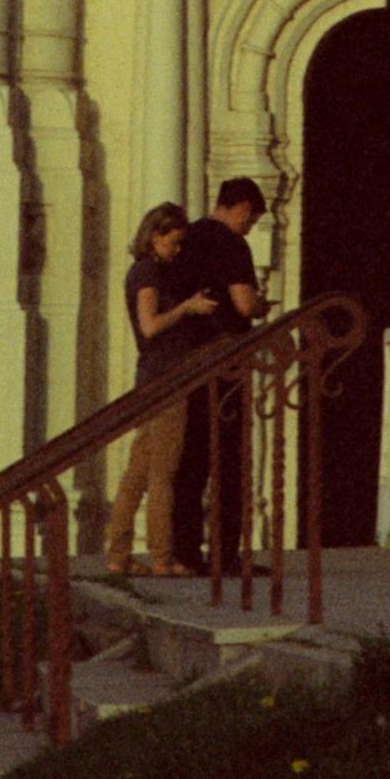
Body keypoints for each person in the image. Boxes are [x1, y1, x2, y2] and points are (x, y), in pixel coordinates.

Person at [103, 204, 213, 577]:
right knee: (164, 472)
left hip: (152, 376)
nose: (178, 250)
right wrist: (187, 308)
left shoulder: (146, 270)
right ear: (155, 235)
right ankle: (162, 556)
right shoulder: (148, 272)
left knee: (139, 470)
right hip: (166, 378)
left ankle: (118, 553)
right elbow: (150, 326)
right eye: (174, 242)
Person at [169, 177, 267, 578]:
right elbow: (243, 304)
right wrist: (260, 306)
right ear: (242, 207)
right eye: (253, 219)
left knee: (191, 458)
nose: (250, 227)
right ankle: (226, 554)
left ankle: (186, 552)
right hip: (225, 360)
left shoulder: (186, 238)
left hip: (188, 358)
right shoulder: (231, 244)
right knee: (228, 458)